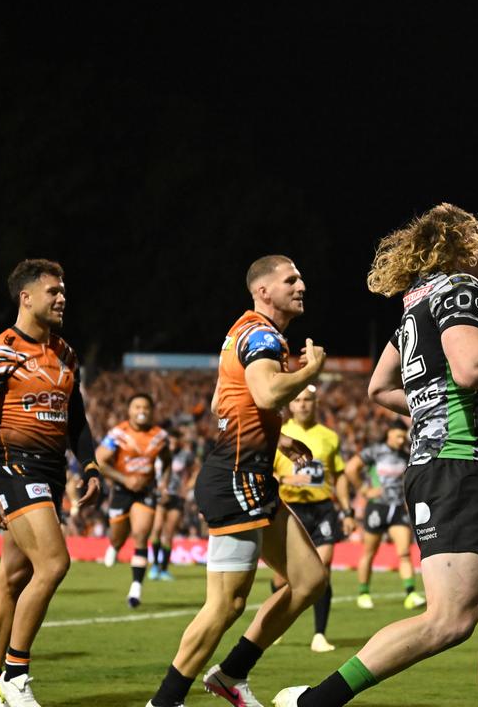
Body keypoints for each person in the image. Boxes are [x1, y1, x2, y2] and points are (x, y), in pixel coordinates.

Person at [276, 203, 478, 707]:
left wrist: (436, 407)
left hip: (459, 466)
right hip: (457, 466)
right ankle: (317, 701)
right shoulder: (462, 290)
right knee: (450, 621)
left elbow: (380, 389)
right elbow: (470, 369)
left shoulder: (414, 305)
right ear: (464, 247)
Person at [146, 254, 328, 707]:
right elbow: (266, 392)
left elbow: (219, 402)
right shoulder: (263, 334)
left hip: (251, 474)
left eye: (301, 278)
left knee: (308, 581)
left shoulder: (244, 332)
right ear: (263, 291)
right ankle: (163, 702)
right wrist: (309, 372)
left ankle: (232, 674)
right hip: (236, 477)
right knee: (225, 605)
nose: (301, 285)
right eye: (291, 280)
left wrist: (275, 437)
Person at [0, 259, 101, 707]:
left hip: (52, 473)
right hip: (14, 467)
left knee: (12, 580)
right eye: (53, 292)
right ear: (26, 297)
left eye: (63, 291)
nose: (62, 298)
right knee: (54, 565)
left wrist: (90, 465)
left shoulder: (65, 353)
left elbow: (76, 419)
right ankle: (15, 675)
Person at [271, 385, 355, 653]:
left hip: (322, 508)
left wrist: (347, 510)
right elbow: (265, 472)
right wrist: (286, 479)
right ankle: (274, 627)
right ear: (290, 405)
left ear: (316, 403)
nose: (303, 404)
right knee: (281, 577)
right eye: (297, 400)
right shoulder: (278, 435)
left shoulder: (329, 436)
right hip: (289, 508)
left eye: (308, 400)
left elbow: (339, 475)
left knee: (323, 569)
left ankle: (319, 634)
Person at [96, 392, 171, 608]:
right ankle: (114, 545)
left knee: (140, 534)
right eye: (137, 407)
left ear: (152, 411)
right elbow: (100, 460)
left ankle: (136, 588)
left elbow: (167, 459)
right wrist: (125, 479)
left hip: (146, 491)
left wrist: (163, 482)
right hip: (121, 490)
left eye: (145, 407)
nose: (141, 411)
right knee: (118, 536)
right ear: (129, 411)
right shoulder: (118, 434)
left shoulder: (159, 436)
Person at [344, 422, 425, 610]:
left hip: (397, 508)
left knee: (404, 552)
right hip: (377, 507)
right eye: (397, 436)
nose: (400, 440)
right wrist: (364, 490)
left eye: (402, 437)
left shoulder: (405, 456)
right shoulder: (374, 452)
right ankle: (363, 593)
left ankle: (411, 594)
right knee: (369, 552)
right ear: (388, 433)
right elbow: (350, 469)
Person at [150, 433, 198, 581]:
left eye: (175, 441)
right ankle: (155, 565)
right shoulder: (157, 453)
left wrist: (188, 486)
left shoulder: (185, 455)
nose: (172, 443)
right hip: (159, 496)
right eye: (170, 441)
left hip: (176, 497)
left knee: (169, 533)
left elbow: (196, 469)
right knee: (156, 529)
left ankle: (164, 569)